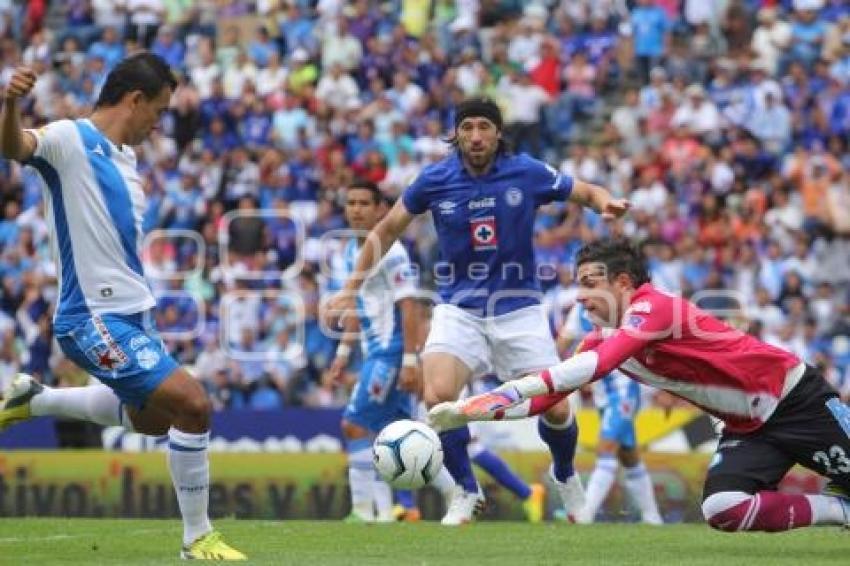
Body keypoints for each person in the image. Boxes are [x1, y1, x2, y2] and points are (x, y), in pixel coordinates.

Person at [326, 96, 630, 525]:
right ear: (457, 134)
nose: (475, 136)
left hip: (518, 308)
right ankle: (467, 491)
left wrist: (604, 203)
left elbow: (583, 191)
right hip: (458, 308)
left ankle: (564, 475)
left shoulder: (525, 171)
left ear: (498, 133)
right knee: (438, 399)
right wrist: (350, 287)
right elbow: (388, 228)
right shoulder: (434, 180)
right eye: (467, 127)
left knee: (558, 408)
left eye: (484, 127)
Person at [0, 54, 245, 559]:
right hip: (91, 318)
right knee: (194, 404)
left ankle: (37, 400)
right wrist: (9, 105)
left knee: (160, 421)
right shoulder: (69, 139)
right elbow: (14, 145)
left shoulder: (127, 159)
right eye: (156, 111)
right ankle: (197, 538)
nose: (158, 123)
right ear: (133, 100)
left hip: (134, 315)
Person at [434, 239, 850, 532]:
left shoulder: (653, 306)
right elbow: (551, 397)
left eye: (590, 284)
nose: (579, 297)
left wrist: (497, 395)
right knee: (723, 508)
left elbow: (596, 366)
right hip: (749, 428)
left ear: (623, 283)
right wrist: (474, 409)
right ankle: (840, 511)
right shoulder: (601, 337)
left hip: (796, 401)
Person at [328, 180, 454, 522]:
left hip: (391, 353)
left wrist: (411, 360)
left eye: (364, 203)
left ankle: (361, 512)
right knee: (401, 432)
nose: (356, 209)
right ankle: (458, 494)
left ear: (380, 210)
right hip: (375, 353)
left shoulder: (392, 251)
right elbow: (358, 307)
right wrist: (341, 356)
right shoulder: (351, 252)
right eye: (350, 202)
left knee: (353, 425)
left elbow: (409, 305)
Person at [559, 304, 662, 524]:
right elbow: (562, 343)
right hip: (602, 394)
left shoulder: (623, 306)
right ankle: (653, 518)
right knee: (628, 454)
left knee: (605, 448)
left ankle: (585, 513)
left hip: (624, 390)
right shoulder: (579, 311)